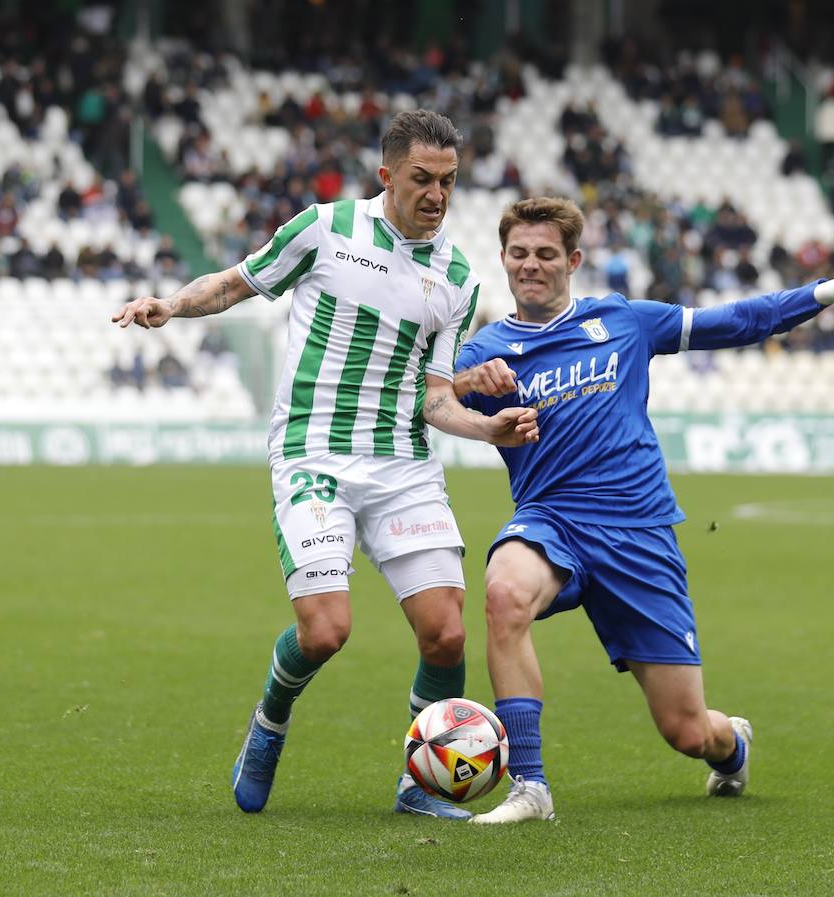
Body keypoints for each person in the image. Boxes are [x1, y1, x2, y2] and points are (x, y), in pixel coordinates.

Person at [109, 110, 539, 820]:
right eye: (422, 179)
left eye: (449, 181)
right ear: (387, 176)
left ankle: (418, 785)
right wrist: (172, 305)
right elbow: (237, 282)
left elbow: (435, 398)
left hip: (401, 462)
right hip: (314, 453)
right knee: (325, 631)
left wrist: (487, 428)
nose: (437, 195)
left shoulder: (458, 277)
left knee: (446, 633)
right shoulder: (326, 229)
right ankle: (269, 722)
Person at [452, 197, 834, 823]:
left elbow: (737, 321)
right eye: (519, 253)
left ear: (573, 261)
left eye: (546, 254)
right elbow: (427, 399)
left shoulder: (624, 320)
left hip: (638, 532)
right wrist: (470, 388)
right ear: (502, 258)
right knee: (503, 594)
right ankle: (530, 786)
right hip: (551, 520)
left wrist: (831, 290)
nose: (531, 265)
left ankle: (731, 744)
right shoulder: (484, 351)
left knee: (687, 731)